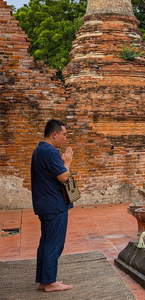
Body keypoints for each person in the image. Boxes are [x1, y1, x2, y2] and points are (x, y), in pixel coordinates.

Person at [30, 119, 74, 292]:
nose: (64, 138)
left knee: (46, 242)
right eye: (63, 134)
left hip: (45, 203)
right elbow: (63, 176)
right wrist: (67, 161)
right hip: (54, 205)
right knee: (54, 243)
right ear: (54, 134)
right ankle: (49, 282)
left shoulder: (40, 150)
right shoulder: (49, 151)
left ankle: (44, 280)